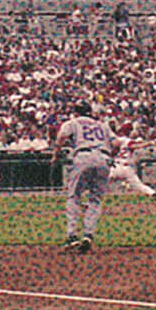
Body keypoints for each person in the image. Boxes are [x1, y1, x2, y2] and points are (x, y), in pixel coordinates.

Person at [52, 99, 114, 252]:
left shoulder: (73, 122)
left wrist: (55, 155)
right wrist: (110, 157)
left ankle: (72, 235)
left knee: (74, 196)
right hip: (103, 158)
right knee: (95, 199)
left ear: (76, 112)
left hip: (83, 156)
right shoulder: (102, 125)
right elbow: (116, 143)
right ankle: (88, 234)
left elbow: (61, 138)